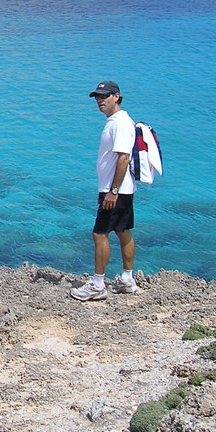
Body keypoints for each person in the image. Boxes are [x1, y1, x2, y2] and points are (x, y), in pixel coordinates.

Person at [70, 80, 139, 301]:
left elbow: (124, 157)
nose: (100, 101)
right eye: (97, 97)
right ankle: (127, 280)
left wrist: (112, 191)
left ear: (116, 96)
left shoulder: (119, 123)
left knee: (99, 234)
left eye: (104, 96)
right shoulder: (118, 121)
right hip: (122, 189)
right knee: (123, 231)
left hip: (115, 190)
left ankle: (98, 285)